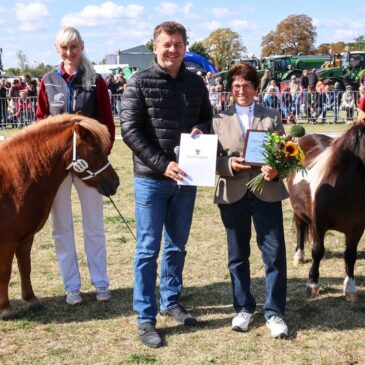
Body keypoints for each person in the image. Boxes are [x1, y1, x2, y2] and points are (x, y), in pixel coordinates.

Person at [120, 21, 212, 348]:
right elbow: (130, 131)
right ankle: (146, 316)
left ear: (185, 46)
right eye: (166, 44)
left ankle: (171, 301)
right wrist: (162, 164)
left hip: (187, 178)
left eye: (178, 43)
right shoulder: (138, 83)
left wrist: (202, 129)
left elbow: (206, 118)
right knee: (148, 250)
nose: (172, 49)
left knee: (177, 245)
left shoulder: (195, 83)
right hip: (152, 181)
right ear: (155, 46)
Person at [36, 26, 115, 306]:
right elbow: (41, 123)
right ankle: (71, 286)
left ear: (82, 47)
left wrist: (100, 157)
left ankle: (101, 283)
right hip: (58, 168)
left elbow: (107, 123)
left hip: (88, 166)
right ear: (58, 49)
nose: (70, 53)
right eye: (64, 48)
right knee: (61, 227)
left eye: (74, 47)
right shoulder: (48, 81)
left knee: (94, 225)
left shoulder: (96, 81)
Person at [212, 63, 289, 339]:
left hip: (266, 192)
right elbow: (213, 159)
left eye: (246, 85)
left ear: (256, 88)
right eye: (235, 86)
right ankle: (243, 307)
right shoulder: (218, 119)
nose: (240, 90)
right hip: (233, 193)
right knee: (237, 256)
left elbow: (284, 153)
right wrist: (228, 164)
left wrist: (277, 168)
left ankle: (275, 312)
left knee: (275, 253)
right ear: (230, 89)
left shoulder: (272, 116)